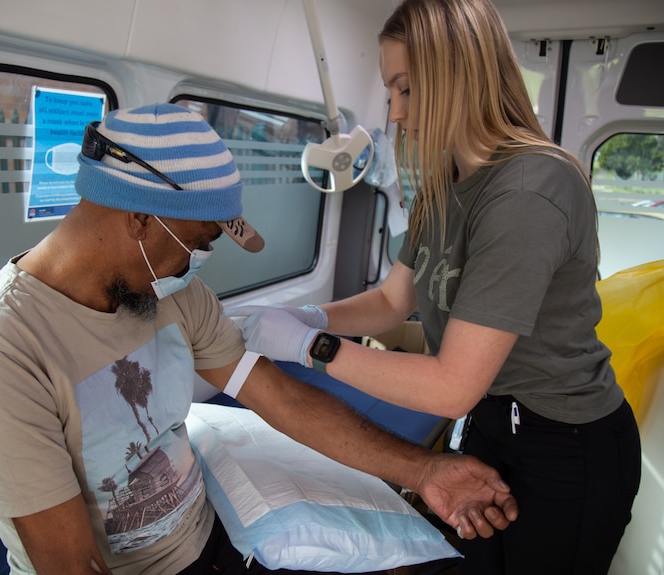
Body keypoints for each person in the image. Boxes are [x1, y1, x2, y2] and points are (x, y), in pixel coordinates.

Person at [0, 102, 517, 575]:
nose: (197, 263)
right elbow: (69, 563)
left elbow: (280, 397)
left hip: (214, 538)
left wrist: (422, 472)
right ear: (139, 216)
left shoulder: (170, 291)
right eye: (198, 241)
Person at [228, 1, 642, 574]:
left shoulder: (529, 190)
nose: (395, 114)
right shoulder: (444, 186)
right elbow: (392, 301)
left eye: (407, 90)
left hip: (565, 442)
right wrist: (311, 317)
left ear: (460, 75)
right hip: (494, 423)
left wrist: (309, 349)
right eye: (389, 92)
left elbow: (451, 388)